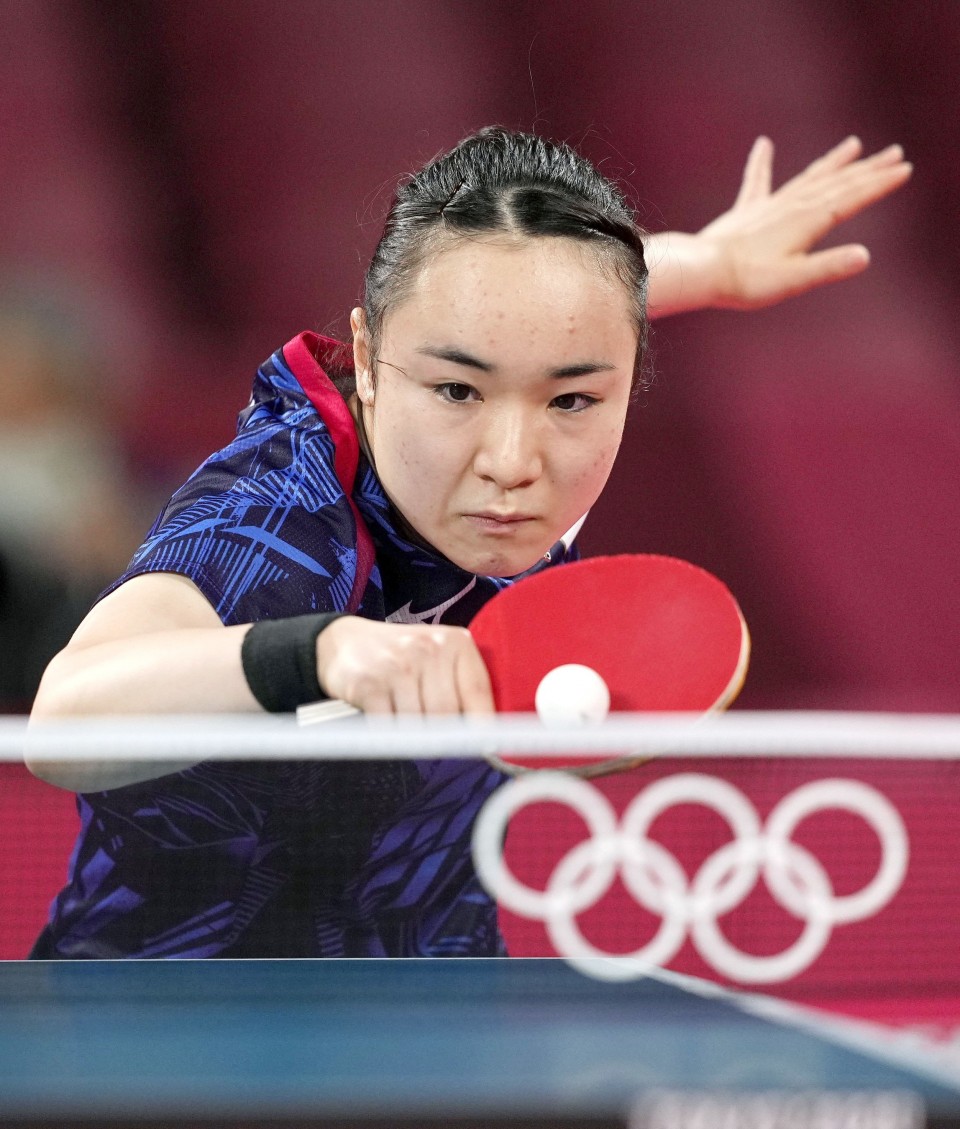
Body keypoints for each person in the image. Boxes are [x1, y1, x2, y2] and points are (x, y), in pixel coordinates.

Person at [27, 128, 910, 959]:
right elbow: (64, 724)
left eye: (573, 401)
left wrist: (705, 263)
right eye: (456, 392)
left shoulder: (528, 468)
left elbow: (562, 322)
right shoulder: (278, 518)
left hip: (428, 1010)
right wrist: (319, 653)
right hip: (176, 1027)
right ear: (367, 361)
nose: (514, 463)